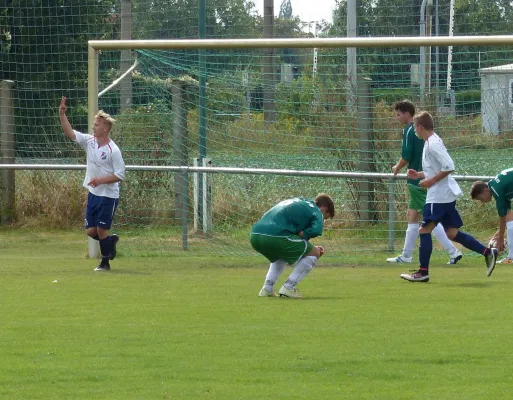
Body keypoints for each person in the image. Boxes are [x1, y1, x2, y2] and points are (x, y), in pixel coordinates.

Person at [400, 111, 498, 282]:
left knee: (424, 230)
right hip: (444, 196)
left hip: (438, 196)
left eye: (415, 127)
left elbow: (449, 166)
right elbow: (438, 168)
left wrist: (430, 182)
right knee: (452, 233)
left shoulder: (432, 144)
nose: (414, 130)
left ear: (420, 127)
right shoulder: (431, 142)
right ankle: (487, 252)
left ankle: (423, 272)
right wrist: (420, 175)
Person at [387, 100, 462, 265]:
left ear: (407, 114)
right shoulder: (424, 132)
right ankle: (406, 255)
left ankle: (453, 251)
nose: (396, 117)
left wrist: (397, 167)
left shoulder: (409, 130)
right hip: (422, 178)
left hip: (420, 182)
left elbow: (406, 155)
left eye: (398, 114)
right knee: (412, 215)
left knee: (429, 222)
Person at [59, 97, 126, 271]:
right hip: (93, 193)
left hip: (108, 196)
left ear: (105, 128)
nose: (93, 127)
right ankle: (110, 242)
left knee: (102, 230)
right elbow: (70, 133)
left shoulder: (113, 150)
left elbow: (120, 175)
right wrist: (62, 114)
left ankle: (105, 262)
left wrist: (100, 181)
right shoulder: (89, 142)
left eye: (96, 124)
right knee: (91, 232)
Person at [250, 194, 335, 298]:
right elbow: (316, 230)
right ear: (324, 208)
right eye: (325, 217)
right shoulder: (316, 210)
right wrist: (304, 235)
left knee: (280, 254)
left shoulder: (299, 202)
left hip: (255, 236)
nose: (323, 220)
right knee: (315, 253)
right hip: (276, 236)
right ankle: (288, 287)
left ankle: (267, 288)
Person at [470, 168, 513, 264]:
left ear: (485, 190)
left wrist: (501, 238)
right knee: (510, 219)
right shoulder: (495, 184)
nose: (483, 201)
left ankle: (511, 257)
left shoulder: (497, 190)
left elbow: (502, 216)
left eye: (480, 198)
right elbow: (507, 214)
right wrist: (499, 233)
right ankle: (511, 256)